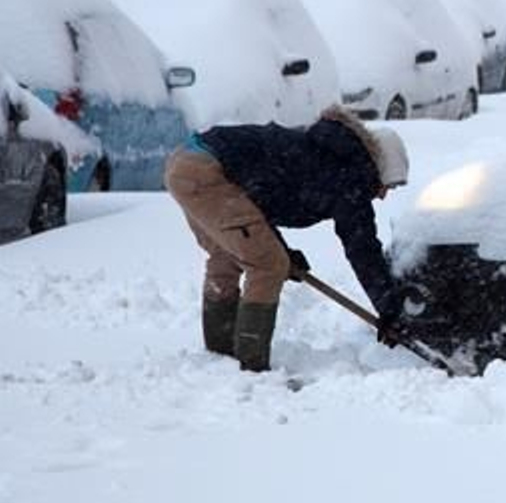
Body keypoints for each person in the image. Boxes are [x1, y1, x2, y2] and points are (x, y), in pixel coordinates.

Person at [164, 105, 410, 372]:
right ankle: (252, 366)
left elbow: (259, 195)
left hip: (188, 162)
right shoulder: (350, 177)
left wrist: (282, 249)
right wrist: (391, 310)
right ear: (380, 167)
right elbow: (362, 249)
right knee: (268, 266)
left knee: (228, 256)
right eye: (390, 185)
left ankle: (220, 355)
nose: (384, 195)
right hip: (209, 172)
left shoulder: (330, 156)